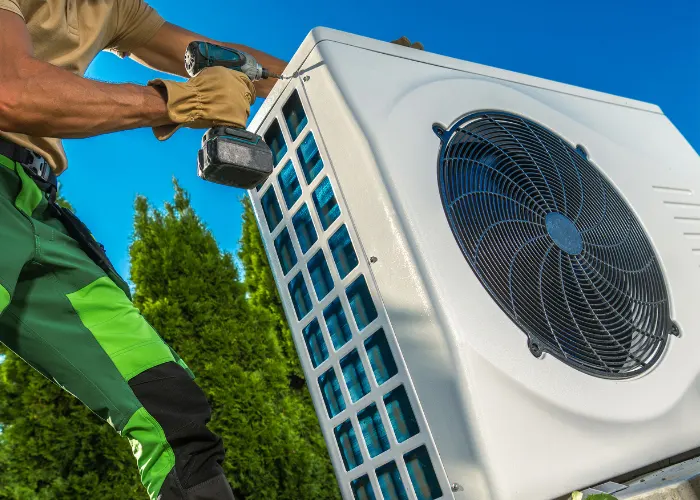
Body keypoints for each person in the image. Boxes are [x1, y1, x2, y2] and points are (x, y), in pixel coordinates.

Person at [0, 1, 423, 497]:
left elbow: (230, 63)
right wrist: (177, 102)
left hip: (36, 204)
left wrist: (348, 72)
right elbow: (11, 91)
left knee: (166, 405)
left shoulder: (114, 9)